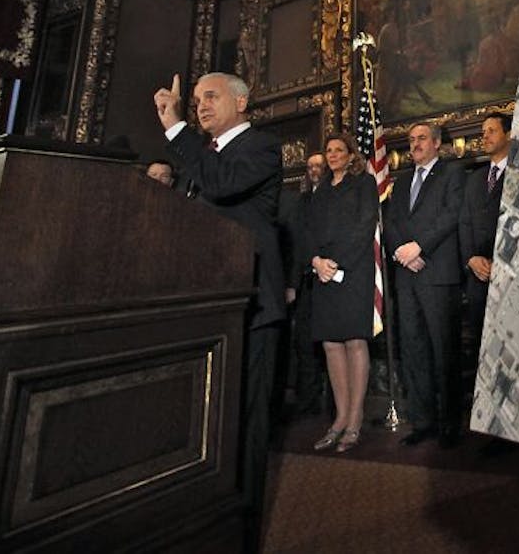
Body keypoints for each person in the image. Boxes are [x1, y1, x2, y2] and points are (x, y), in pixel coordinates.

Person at [153, 72, 285, 544]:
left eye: (211, 96)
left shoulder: (261, 148)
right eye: (196, 100)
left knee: (246, 424)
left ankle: (243, 534)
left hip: (250, 303)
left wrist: (175, 128)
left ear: (242, 101)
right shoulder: (202, 156)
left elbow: (223, 186)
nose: (201, 105)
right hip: (206, 304)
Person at [384, 123, 467, 447]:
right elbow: (390, 221)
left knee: (444, 350)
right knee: (414, 349)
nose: (415, 144)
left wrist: (420, 247)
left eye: (421, 139)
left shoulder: (453, 174)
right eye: (411, 140)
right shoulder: (402, 181)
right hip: (407, 275)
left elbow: (451, 214)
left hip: (437, 274)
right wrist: (402, 252)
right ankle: (423, 421)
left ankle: (450, 426)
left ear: (436, 143)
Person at [303, 134, 379, 452]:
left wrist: (337, 264)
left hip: (353, 271)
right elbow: (307, 229)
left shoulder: (363, 184)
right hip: (323, 274)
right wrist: (317, 261)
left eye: (339, 150)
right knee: (331, 344)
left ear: (351, 155)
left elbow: (365, 226)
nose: (332, 155)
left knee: (354, 341)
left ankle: (355, 418)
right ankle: (339, 419)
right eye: (328, 151)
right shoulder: (319, 190)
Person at [458, 112, 512, 392]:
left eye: (492, 131)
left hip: (507, 275)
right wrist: (470, 258)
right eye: (483, 132)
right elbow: (464, 222)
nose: (485, 136)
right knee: (482, 347)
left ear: (508, 135)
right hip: (477, 277)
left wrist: (499, 261)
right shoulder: (475, 179)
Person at [277, 152, 328, 417]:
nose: (315, 170)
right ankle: (307, 401)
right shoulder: (301, 201)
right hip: (307, 281)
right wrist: (292, 283)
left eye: (319, 165)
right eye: (310, 167)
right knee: (304, 343)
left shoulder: (335, 195)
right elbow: (295, 244)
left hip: (332, 280)